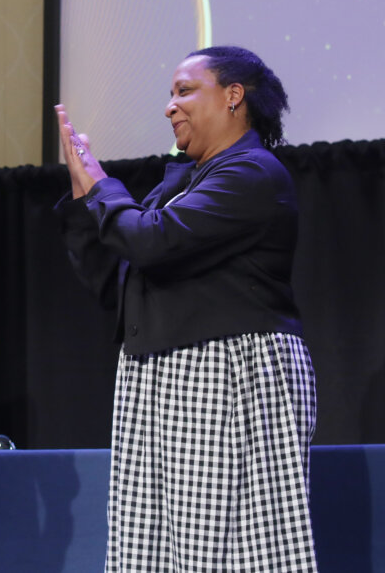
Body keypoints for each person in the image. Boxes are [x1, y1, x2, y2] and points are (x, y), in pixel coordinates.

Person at [54, 46, 317, 572]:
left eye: (184, 91)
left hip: (227, 374)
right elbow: (118, 281)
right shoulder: (185, 183)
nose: (170, 107)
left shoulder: (250, 174)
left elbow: (152, 242)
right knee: (150, 553)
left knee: (232, 554)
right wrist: (85, 195)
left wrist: (101, 182)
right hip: (161, 376)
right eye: (170, 95)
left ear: (233, 96)